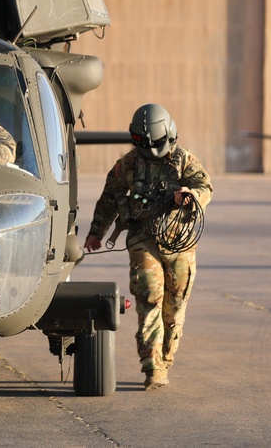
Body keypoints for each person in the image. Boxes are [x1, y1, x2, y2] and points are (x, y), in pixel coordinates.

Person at [84, 103, 212, 391]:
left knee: (175, 305)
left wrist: (191, 196)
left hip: (179, 242)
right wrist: (96, 233)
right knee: (149, 297)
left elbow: (206, 188)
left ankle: (166, 356)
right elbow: (109, 197)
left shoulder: (183, 160)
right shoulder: (128, 164)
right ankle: (153, 367)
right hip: (143, 240)